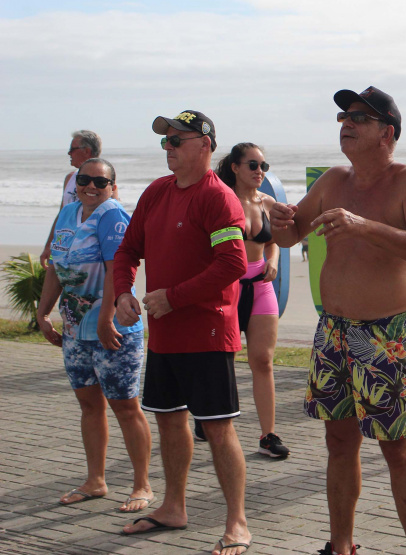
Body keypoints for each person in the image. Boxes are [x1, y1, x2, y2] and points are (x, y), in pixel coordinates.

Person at [270, 86, 406, 555]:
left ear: (387, 131)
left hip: (387, 334)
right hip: (334, 331)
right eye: (344, 116)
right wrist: (273, 216)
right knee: (338, 441)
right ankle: (341, 544)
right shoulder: (332, 180)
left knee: (397, 450)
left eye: (359, 117)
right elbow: (289, 235)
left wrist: (364, 225)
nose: (346, 123)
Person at [112, 110, 252, 555]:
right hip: (165, 337)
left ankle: (238, 523)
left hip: (208, 334)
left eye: (177, 140)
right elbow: (127, 251)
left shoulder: (219, 198)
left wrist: (174, 296)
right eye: (165, 142)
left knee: (217, 429)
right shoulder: (157, 192)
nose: (168, 149)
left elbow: (231, 264)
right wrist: (122, 294)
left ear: (205, 145)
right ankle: (173, 506)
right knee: (169, 421)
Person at [35, 158, 153, 514]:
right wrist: (42, 313)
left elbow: (118, 271)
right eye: (84, 180)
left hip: (113, 330)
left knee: (126, 407)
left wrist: (106, 321)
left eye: (100, 183)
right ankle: (95, 481)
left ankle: (142, 485)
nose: (91, 187)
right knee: (89, 406)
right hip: (74, 331)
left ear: (112, 187)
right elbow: (55, 267)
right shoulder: (69, 215)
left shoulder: (113, 216)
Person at [214, 142, 289, 458]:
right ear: (235, 167)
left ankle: (268, 435)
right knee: (220, 360)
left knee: (262, 360)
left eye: (264, 166)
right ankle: (211, 420)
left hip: (260, 285)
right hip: (225, 288)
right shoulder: (220, 199)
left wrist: (273, 259)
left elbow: (273, 241)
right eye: (253, 165)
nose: (260, 172)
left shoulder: (267, 202)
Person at [40, 130, 101, 268]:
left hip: (87, 249)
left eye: (72, 149)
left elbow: (110, 213)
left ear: (86, 151)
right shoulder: (70, 178)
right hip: (63, 245)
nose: (69, 153)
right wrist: (49, 245)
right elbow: (62, 214)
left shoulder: (103, 179)